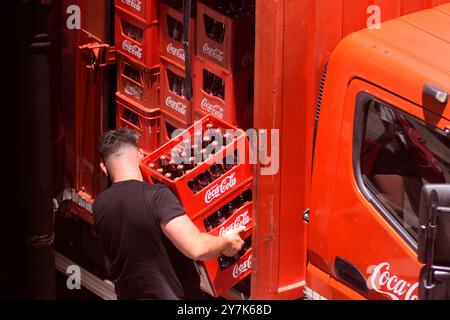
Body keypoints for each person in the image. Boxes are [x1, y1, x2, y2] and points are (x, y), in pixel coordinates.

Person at [92, 127, 245, 300]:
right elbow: (197, 248)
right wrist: (226, 242)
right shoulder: (156, 196)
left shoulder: (99, 206)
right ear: (141, 154)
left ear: (104, 167)